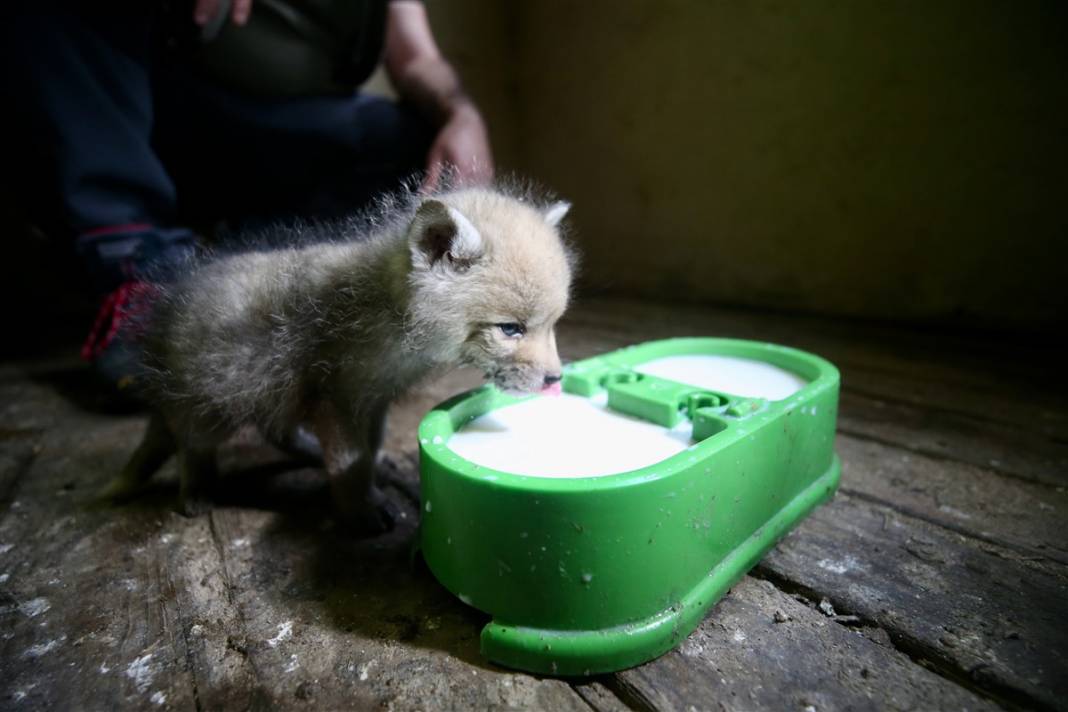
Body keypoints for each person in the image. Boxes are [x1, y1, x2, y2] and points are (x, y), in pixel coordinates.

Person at [6, 0, 493, 387]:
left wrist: (460, 114)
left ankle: (245, 271)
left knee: (409, 147)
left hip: (253, 133)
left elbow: (419, 58)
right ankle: (138, 264)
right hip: (131, 101)